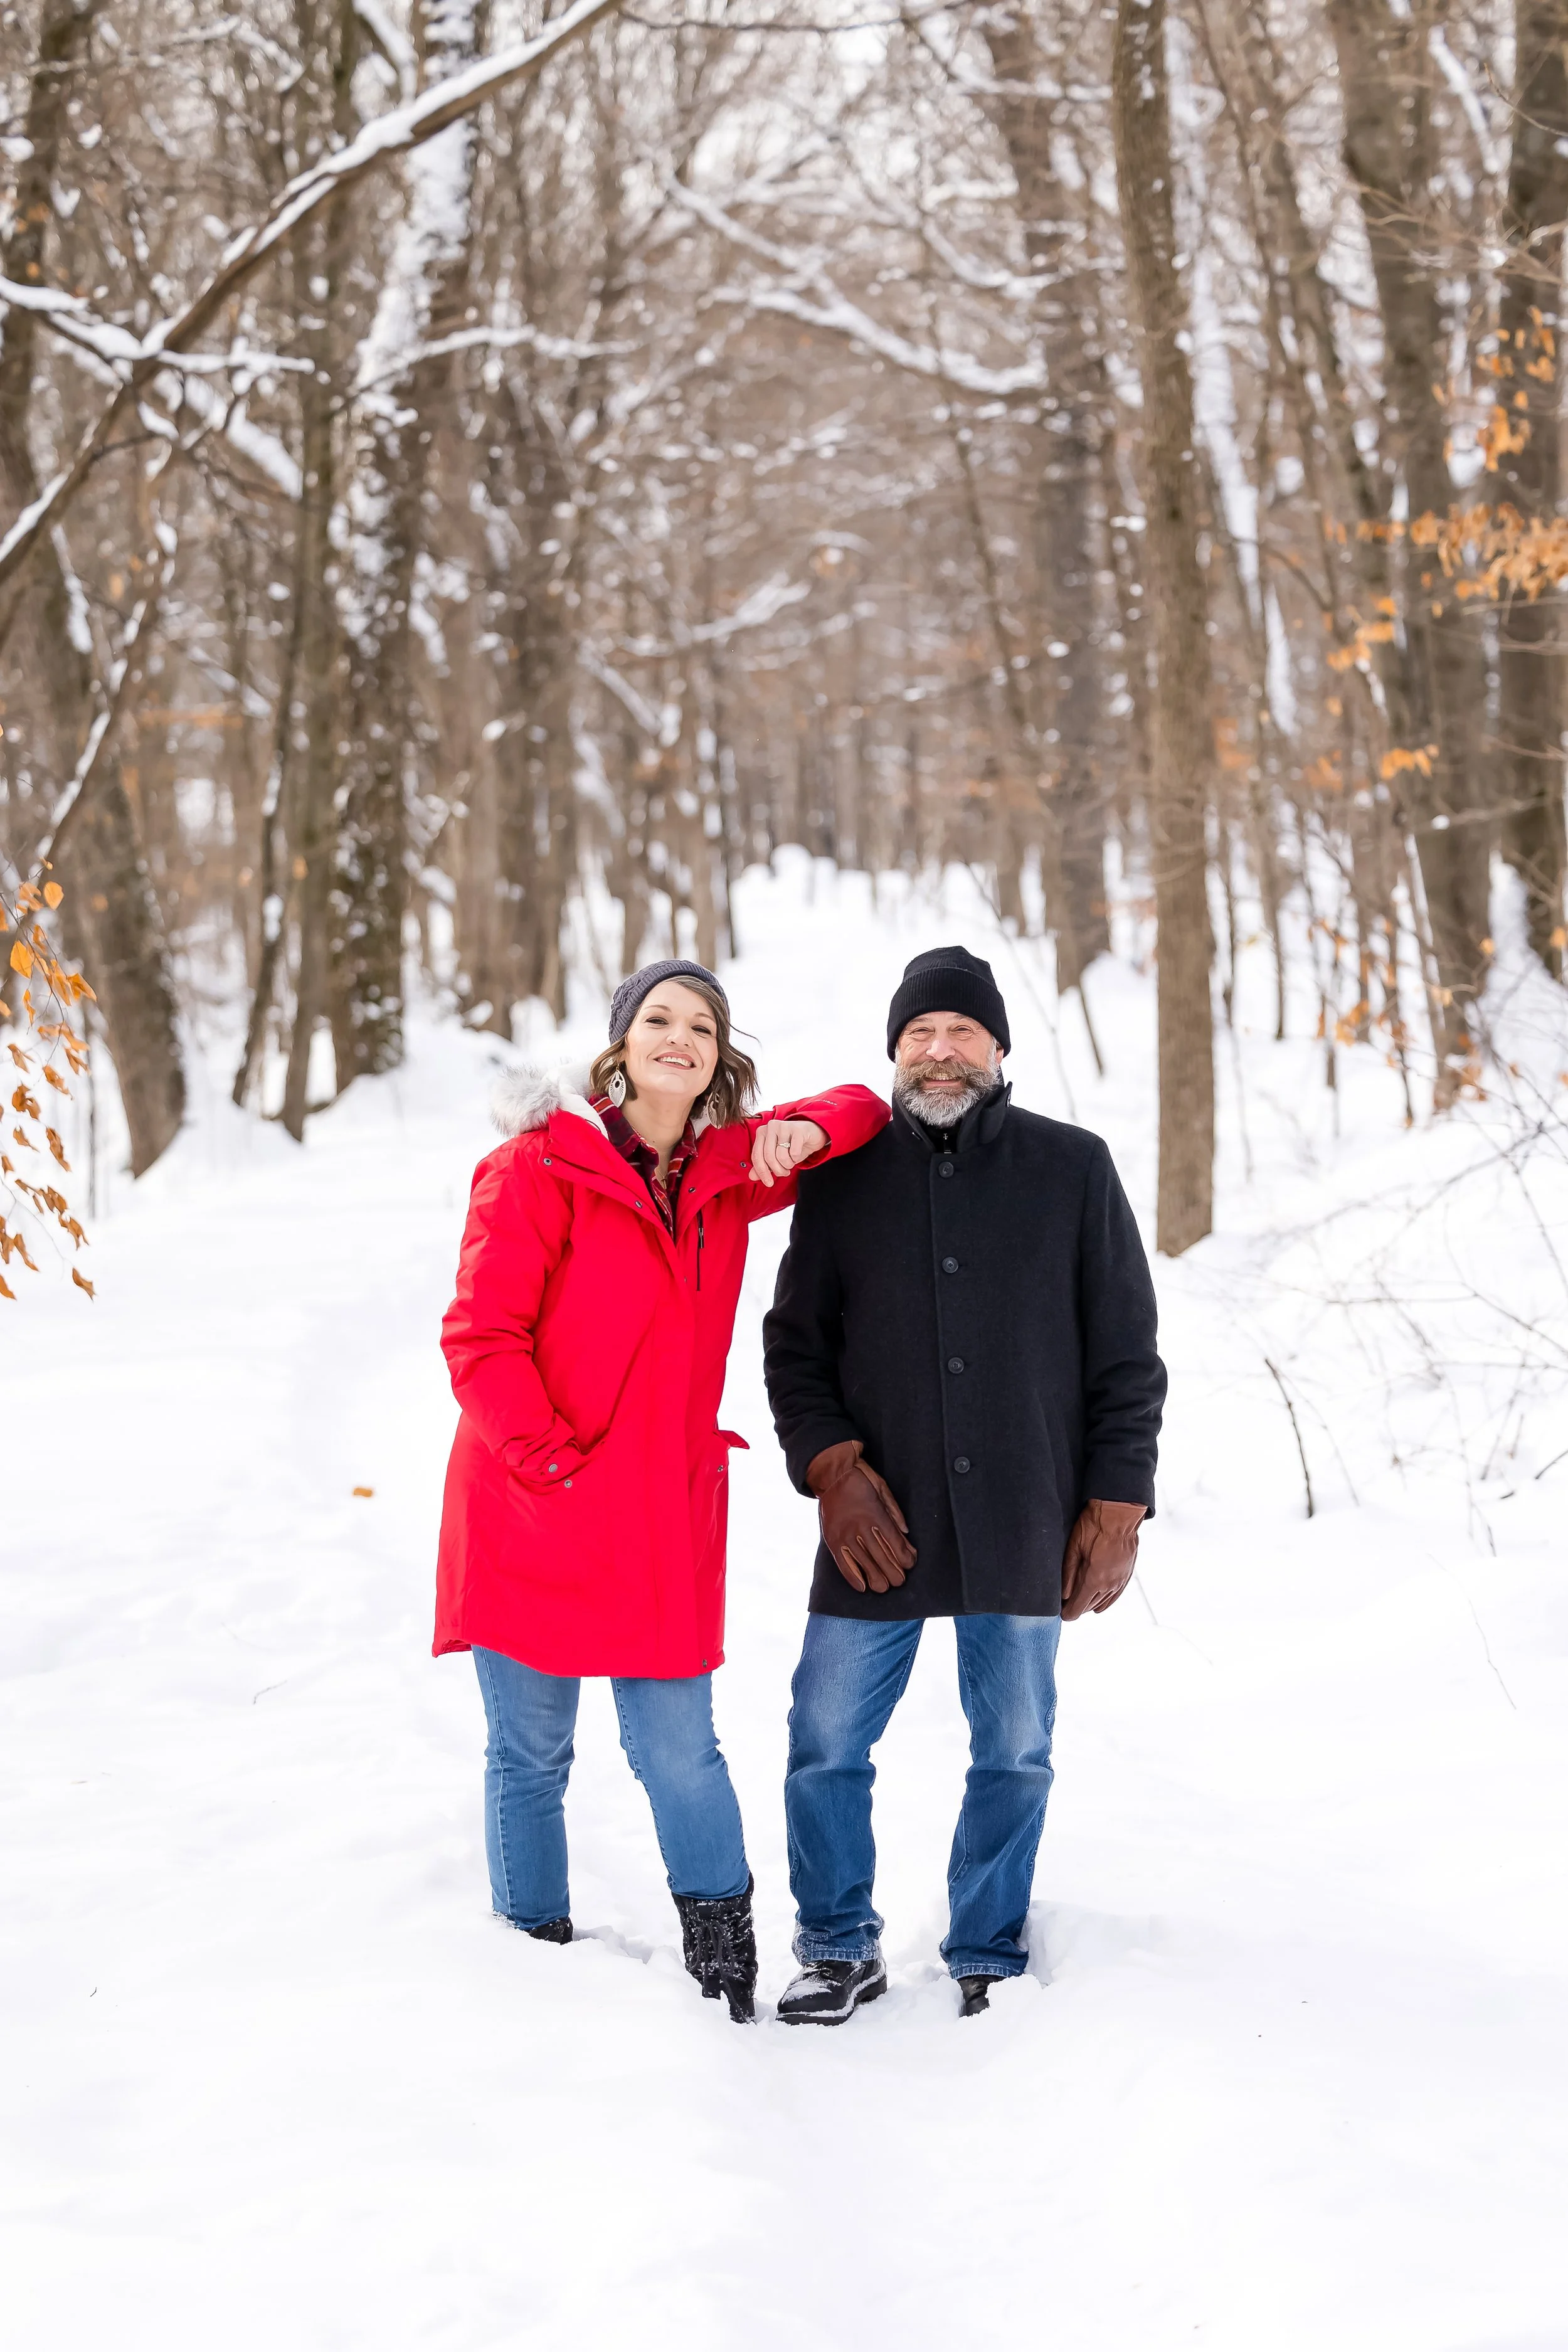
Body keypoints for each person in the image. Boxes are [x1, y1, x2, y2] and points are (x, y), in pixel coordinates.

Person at [434, 958, 887, 2023]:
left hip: (655, 1516)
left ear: (719, 1056)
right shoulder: (538, 1166)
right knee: (531, 1752)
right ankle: (532, 1959)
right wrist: (550, 1459)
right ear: (620, 1043)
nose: (679, 1037)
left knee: (679, 1747)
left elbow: (866, 1106)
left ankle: (723, 1966)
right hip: (532, 1501)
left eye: (702, 1024)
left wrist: (805, 1130)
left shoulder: (728, 1171)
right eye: (658, 1018)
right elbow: (480, 1338)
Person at [762, 944, 1166, 2025]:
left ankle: (987, 1943)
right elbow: (794, 1348)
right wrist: (833, 1471)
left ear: (999, 1048)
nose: (941, 1053)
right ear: (894, 1054)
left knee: (1017, 1749)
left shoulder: (1072, 1169)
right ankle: (838, 1943)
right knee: (825, 1739)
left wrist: (1117, 1505)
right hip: (876, 1524)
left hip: (1025, 1511)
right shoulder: (842, 1184)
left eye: (962, 1033)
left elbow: (1128, 1354)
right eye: (919, 1036)